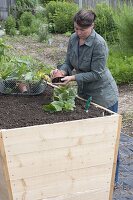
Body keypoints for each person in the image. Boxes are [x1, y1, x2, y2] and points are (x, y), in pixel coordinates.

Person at [51, 9, 119, 186]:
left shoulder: (99, 44)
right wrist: (62, 71)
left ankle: (112, 182)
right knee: (88, 138)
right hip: (84, 93)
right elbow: (68, 62)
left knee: (109, 140)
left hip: (103, 94)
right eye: (76, 28)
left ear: (92, 26)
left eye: (83, 30)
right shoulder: (73, 39)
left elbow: (97, 73)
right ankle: (91, 178)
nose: (78, 33)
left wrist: (72, 78)